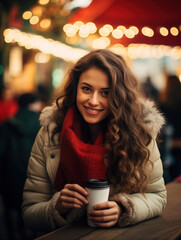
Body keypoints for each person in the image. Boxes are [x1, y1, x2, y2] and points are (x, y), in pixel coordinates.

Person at [22, 49, 166, 233]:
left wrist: (124, 208)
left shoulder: (139, 133)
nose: (94, 101)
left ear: (119, 96)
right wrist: (57, 206)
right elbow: (29, 212)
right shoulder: (50, 133)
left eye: (105, 92)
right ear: (75, 89)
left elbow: (157, 197)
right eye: (86, 89)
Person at [0, 93, 41, 240]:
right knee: (30, 205)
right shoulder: (41, 126)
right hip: (33, 176)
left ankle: (13, 233)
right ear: (32, 105)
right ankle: (29, 232)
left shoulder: (6, 125)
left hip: (9, 175)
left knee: (10, 208)